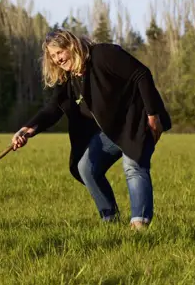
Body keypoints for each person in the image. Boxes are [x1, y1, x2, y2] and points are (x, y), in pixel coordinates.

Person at [11, 28, 172, 230]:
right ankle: (110, 219)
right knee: (86, 167)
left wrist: (152, 114)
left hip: (136, 119)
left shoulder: (103, 54)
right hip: (111, 130)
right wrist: (28, 129)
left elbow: (142, 74)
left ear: (72, 45)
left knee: (133, 165)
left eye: (59, 52)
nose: (58, 59)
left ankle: (139, 224)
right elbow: (53, 108)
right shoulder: (68, 78)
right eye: (53, 56)